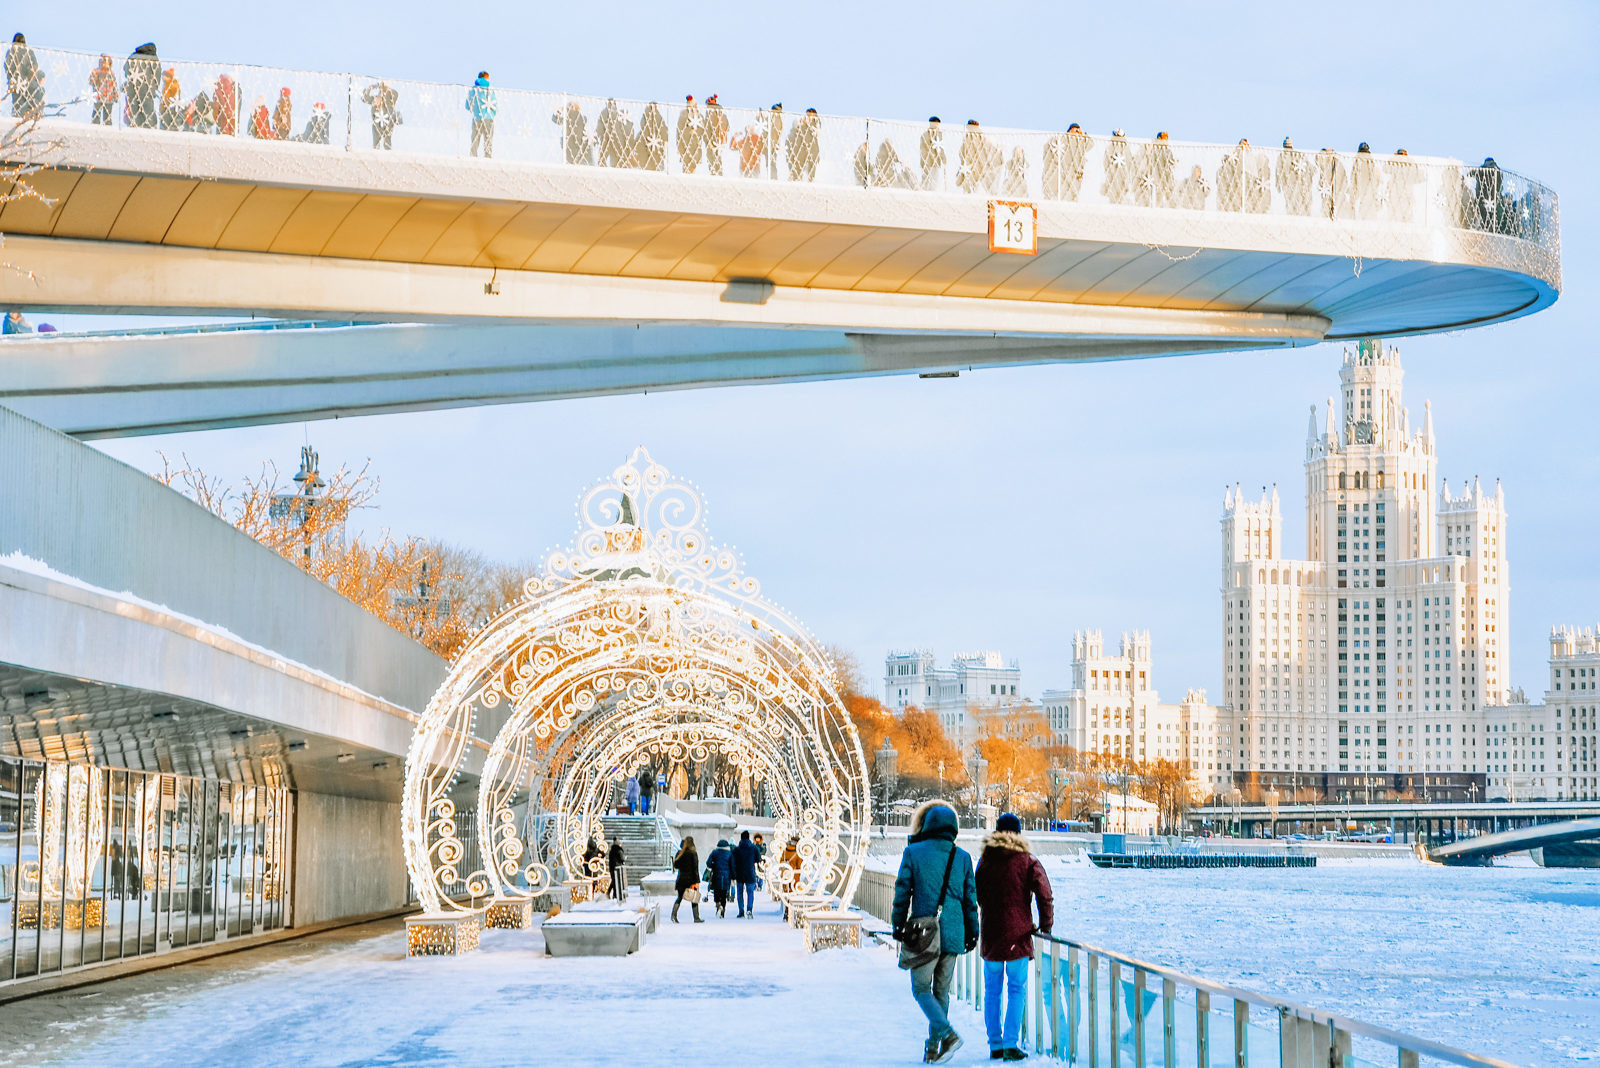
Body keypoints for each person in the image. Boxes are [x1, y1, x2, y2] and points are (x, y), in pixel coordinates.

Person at [892, 800, 978, 1065]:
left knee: (920, 988)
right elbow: (969, 899)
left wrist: (898, 923)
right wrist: (973, 931)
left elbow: (902, 890)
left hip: (924, 931)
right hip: (953, 932)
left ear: (927, 825)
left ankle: (948, 1035)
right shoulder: (962, 857)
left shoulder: (914, 852)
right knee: (941, 991)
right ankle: (933, 1047)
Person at [975, 812, 1054, 1061]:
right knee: (1017, 988)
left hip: (991, 933)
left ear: (997, 833)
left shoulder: (986, 860)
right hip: (1018, 936)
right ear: (1019, 834)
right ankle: (1011, 1043)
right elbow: (1045, 895)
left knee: (992, 990)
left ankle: (995, 1044)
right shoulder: (1027, 861)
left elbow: (977, 893)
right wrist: (1045, 927)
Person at [1041, 123, 1092, 202]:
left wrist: (1083, 134)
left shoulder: (1081, 141)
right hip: (1065, 168)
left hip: (1077, 170)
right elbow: (1052, 144)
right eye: (1075, 130)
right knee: (1064, 188)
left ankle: (1073, 202)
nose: (1076, 133)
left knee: (1075, 189)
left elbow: (1090, 145)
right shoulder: (1065, 139)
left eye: (1078, 130)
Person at [5, 33, 42, 120]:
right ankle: (28, 117)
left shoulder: (11, 51)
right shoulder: (29, 51)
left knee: (17, 101)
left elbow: (7, 66)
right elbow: (34, 66)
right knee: (28, 100)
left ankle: (16, 117)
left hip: (15, 81)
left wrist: (12, 77)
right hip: (27, 82)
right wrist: (29, 77)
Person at [123, 44, 160, 130]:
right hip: (147, 88)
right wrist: (154, 87)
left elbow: (125, 70)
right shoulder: (154, 59)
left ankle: (134, 124)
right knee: (148, 108)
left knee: (134, 107)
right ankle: (150, 126)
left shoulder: (133, 56)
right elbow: (157, 74)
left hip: (133, 87)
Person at [1276, 137, 1313, 216]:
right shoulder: (1281, 156)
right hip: (1287, 183)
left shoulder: (1297, 155)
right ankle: (1291, 213)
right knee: (1289, 200)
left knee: (1298, 199)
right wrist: (1278, 183)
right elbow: (1278, 170)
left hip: (1297, 182)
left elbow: (1306, 165)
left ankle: (1300, 213)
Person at [671, 835, 702, 923]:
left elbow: (676, 866)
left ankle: (674, 915)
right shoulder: (693, 853)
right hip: (692, 880)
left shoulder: (680, 853)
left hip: (681, 879)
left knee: (679, 898)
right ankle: (696, 917)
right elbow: (695, 868)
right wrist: (697, 880)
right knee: (694, 898)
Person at [1141, 131, 1176, 209]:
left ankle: (1173, 207)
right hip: (1157, 175)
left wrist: (1173, 163)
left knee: (1169, 192)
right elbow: (1150, 161)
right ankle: (1155, 206)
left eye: (1167, 139)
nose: (1166, 140)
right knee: (1158, 193)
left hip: (1167, 175)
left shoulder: (1168, 151)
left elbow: (1170, 162)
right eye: (1164, 138)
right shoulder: (1155, 150)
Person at [465, 72, 496, 158]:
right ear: (487, 78)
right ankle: (488, 156)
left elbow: (467, 106)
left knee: (475, 138)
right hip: (489, 118)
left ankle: (473, 155)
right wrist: (493, 114)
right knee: (488, 138)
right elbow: (495, 104)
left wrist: (474, 110)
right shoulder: (490, 90)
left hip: (477, 118)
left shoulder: (472, 90)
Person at [361, 80, 399, 150]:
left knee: (387, 143)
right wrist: (372, 87)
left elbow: (395, 95)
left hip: (387, 124)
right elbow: (365, 98)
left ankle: (388, 156)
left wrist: (386, 88)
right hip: (377, 124)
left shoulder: (389, 101)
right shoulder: (375, 100)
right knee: (376, 144)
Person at [1101, 128, 1135, 205]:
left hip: (1123, 174)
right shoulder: (1110, 147)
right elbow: (1106, 161)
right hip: (1112, 174)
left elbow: (1129, 161)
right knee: (1113, 192)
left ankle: (1120, 204)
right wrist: (1108, 170)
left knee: (1122, 192)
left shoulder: (1126, 148)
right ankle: (1113, 204)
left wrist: (1127, 173)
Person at [1386, 148, 1420, 223]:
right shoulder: (1410, 163)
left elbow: (1386, 168)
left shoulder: (1395, 163)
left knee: (1396, 213)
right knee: (1404, 214)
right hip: (1405, 193)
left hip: (1399, 192)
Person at [552, 100, 590, 165]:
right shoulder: (567, 119)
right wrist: (560, 111)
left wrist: (561, 110)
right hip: (569, 145)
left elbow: (555, 119)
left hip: (577, 145)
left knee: (574, 162)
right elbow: (555, 119)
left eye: (573, 107)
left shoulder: (580, 119)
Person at [786, 108, 819, 182]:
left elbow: (817, 133)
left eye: (811, 115)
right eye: (808, 115)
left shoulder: (816, 123)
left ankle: (810, 180)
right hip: (802, 148)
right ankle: (796, 178)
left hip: (812, 149)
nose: (809, 117)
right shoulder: (801, 123)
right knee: (799, 163)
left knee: (811, 166)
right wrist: (801, 123)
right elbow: (795, 130)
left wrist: (808, 124)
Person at [732, 830, 760, 917]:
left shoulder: (736, 849)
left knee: (740, 893)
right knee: (750, 892)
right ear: (749, 838)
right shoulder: (754, 848)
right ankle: (749, 909)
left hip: (739, 873)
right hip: (750, 872)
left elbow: (733, 862)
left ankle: (741, 911)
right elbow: (758, 859)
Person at [705, 837, 735, 917]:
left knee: (717, 893)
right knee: (724, 894)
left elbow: (708, 863)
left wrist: (713, 866)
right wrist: (733, 877)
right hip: (726, 876)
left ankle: (718, 905)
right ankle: (723, 911)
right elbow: (732, 866)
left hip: (716, 875)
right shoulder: (730, 854)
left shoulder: (714, 852)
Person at [1349, 142, 1379, 220]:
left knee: (1364, 207)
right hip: (1365, 188)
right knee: (1365, 207)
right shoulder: (1369, 161)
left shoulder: (1360, 161)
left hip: (1364, 188)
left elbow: (1353, 176)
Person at [1315, 147, 1347, 220]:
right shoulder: (1324, 163)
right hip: (1326, 190)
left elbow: (1344, 179)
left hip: (1337, 192)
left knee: (1338, 210)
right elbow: (1317, 159)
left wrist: (1341, 190)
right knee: (1326, 208)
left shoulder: (1338, 164)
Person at [89, 55, 118, 127]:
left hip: (109, 97)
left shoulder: (111, 73)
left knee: (107, 115)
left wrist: (116, 95)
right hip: (98, 96)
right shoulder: (96, 71)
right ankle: (95, 126)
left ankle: (107, 127)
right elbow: (91, 81)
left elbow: (114, 85)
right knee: (97, 113)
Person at [638, 102, 668, 172]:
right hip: (648, 143)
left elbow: (663, 129)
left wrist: (665, 138)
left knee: (657, 162)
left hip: (657, 144)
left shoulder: (659, 117)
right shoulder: (646, 117)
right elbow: (644, 127)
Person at [702, 93, 728, 175]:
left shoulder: (710, 113)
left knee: (712, 157)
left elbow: (706, 128)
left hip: (712, 140)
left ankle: (714, 172)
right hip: (720, 140)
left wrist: (707, 140)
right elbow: (727, 126)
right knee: (718, 157)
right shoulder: (722, 114)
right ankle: (718, 172)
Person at [676, 95, 703, 174]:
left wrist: (696, 132)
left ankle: (691, 172)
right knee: (687, 161)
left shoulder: (699, 116)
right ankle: (687, 173)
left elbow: (702, 129)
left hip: (695, 143)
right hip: (686, 142)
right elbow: (680, 128)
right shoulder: (684, 114)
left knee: (693, 162)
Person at [919, 117, 945, 191]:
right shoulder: (925, 135)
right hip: (927, 161)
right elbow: (923, 149)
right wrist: (925, 159)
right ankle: (924, 190)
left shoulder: (939, 135)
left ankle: (932, 191)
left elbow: (941, 147)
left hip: (936, 161)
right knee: (926, 177)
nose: (937, 126)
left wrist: (943, 158)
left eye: (938, 124)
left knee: (935, 178)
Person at [759, 103, 783, 178]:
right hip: (768, 143)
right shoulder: (772, 118)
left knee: (771, 162)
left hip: (772, 143)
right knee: (769, 162)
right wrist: (761, 115)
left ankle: (773, 177)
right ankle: (771, 176)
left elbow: (776, 131)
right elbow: (763, 123)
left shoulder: (777, 119)